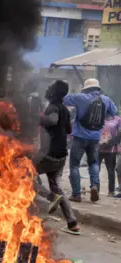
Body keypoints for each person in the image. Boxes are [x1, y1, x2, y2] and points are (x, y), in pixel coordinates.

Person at [35, 80, 79, 235]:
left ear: (53, 92)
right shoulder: (65, 109)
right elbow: (69, 129)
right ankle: (72, 222)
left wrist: (36, 117)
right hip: (61, 156)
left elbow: (52, 120)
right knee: (57, 186)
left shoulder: (52, 106)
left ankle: (50, 196)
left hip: (49, 155)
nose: (47, 88)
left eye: (49, 86)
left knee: (24, 175)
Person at [64, 78, 118, 203]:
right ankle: (94, 186)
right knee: (94, 163)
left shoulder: (80, 97)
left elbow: (64, 99)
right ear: (97, 88)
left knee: (74, 165)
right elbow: (114, 111)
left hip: (79, 137)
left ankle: (76, 194)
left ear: (86, 88)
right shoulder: (106, 99)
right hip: (95, 138)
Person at [100, 114, 121, 197]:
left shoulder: (117, 120)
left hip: (110, 149)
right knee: (118, 169)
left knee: (115, 169)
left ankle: (112, 191)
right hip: (103, 147)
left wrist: (109, 144)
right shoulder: (100, 117)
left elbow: (118, 136)